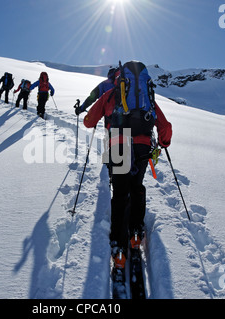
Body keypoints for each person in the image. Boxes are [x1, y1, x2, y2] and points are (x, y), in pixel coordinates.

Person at [83, 61, 172, 270]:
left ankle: (119, 248)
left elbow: (89, 121)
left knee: (121, 192)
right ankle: (135, 233)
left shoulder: (112, 94)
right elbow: (165, 126)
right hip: (142, 145)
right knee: (137, 186)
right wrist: (164, 142)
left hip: (118, 142)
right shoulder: (146, 99)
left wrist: (92, 119)